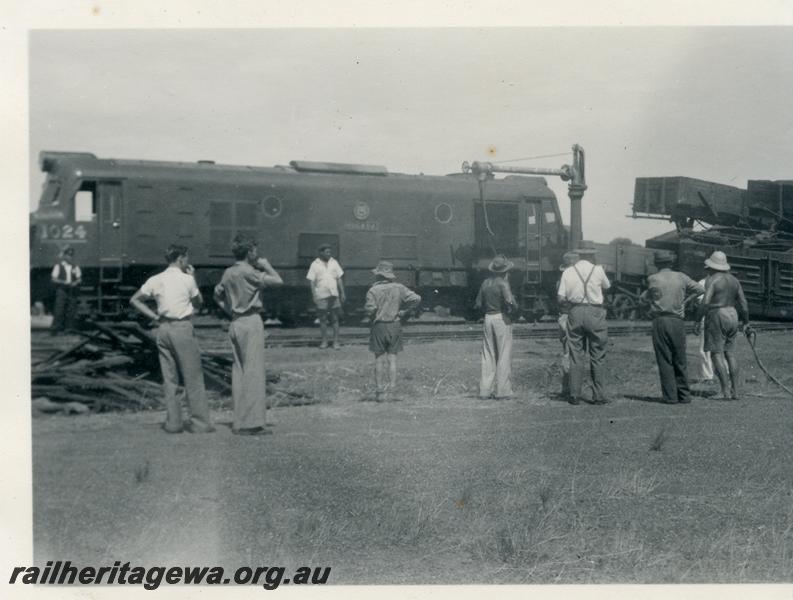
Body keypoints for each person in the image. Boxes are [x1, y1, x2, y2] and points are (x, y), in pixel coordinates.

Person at [130, 244, 214, 434]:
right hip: (182, 328)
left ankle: (174, 424)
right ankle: (200, 424)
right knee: (193, 377)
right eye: (187, 258)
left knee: (170, 379)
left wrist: (153, 316)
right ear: (181, 258)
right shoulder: (187, 279)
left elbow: (134, 299)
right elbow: (199, 303)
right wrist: (193, 279)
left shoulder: (156, 279)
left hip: (163, 329)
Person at [214, 235, 283, 435]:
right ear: (250, 252)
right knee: (254, 372)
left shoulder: (228, 273)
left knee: (239, 372)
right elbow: (278, 281)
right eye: (255, 250)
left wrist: (230, 309)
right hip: (251, 322)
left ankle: (239, 421)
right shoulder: (250, 272)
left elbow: (217, 297)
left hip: (235, 322)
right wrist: (267, 266)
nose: (257, 254)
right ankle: (252, 423)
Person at [640, 251, 704, 404]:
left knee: (664, 358)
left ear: (657, 264)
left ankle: (670, 396)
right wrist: (686, 301)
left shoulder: (653, 279)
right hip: (677, 321)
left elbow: (643, 299)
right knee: (680, 358)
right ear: (671, 263)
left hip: (660, 321)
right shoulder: (681, 277)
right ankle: (684, 395)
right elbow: (701, 290)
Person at [557, 240, 612, 405]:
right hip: (595, 312)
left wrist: (573, 307)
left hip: (575, 311)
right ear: (592, 254)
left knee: (576, 355)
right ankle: (599, 396)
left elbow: (560, 298)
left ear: (579, 253)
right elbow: (607, 287)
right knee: (598, 355)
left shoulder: (568, 272)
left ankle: (574, 395)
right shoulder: (598, 270)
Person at [695, 251, 750, 400]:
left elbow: (705, 302)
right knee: (730, 353)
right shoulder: (734, 280)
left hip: (717, 313)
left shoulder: (712, 280)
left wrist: (697, 319)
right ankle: (736, 392)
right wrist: (746, 322)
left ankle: (724, 391)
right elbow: (744, 304)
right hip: (732, 314)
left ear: (712, 266)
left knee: (716, 353)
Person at [364, 261, 421, 402]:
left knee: (378, 360)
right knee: (392, 359)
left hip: (379, 326)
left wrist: (373, 315)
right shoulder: (399, 287)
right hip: (395, 325)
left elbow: (370, 309)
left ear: (379, 275)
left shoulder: (373, 290)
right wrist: (405, 311)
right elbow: (417, 298)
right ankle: (393, 391)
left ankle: (379, 393)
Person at [474, 255, 518, 399]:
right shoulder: (503, 284)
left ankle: (485, 390)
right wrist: (514, 308)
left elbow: (478, 303)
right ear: (505, 271)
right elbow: (510, 302)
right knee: (504, 353)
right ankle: (503, 391)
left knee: (488, 354)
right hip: (501, 318)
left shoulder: (485, 283)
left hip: (488, 317)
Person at [306, 243, 345, 349]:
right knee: (323, 319)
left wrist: (342, 293)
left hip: (334, 294)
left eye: (330, 252)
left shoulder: (334, 262)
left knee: (335, 319)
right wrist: (314, 296)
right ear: (321, 253)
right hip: (321, 295)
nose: (329, 254)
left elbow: (339, 279)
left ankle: (336, 342)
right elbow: (312, 282)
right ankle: (324, 342)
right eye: (327, 252)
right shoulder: (315, 264)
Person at [556, 251, 579, 398]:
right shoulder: (577, 279)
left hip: (564, 316)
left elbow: (559, 299)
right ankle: (574, 388)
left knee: (566, 352)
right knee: (577, 353)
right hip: (574, 315)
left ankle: (567, 388)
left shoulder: (561, 280)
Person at [50, 245, 82, 335]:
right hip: (62, 290)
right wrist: (64, 282)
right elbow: (53, 279)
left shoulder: (75, 266)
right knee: (59, 310)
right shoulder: (58, 266)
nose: (69, 257)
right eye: (68, 255)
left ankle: (69, 330)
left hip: (72, 290)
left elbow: (79, 279)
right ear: (64, 256)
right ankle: (55, 330)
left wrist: (75, 283)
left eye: (71, 255)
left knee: (71, 311)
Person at [696, 276, 715, 383]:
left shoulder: (703, 282)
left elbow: (701, 303)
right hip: (724, 316)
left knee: (704, 348)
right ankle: (726, 372)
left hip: (708, 317)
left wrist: (697, 320)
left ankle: (708, 376)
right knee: (723, 347)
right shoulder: (729, 280)